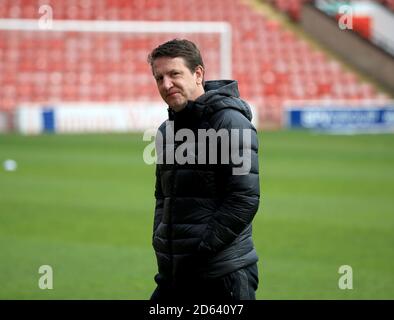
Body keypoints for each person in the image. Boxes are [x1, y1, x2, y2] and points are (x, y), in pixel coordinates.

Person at [147, 39, 260, 301]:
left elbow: (243, 199)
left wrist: (200, 250)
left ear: (198, 74)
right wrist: (161, 240)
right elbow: (162, 197)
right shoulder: (167, 131)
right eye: (159, 77)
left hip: (221, 275)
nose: (166, 84)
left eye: (175, 74)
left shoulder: (230, 122)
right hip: (175, 274)